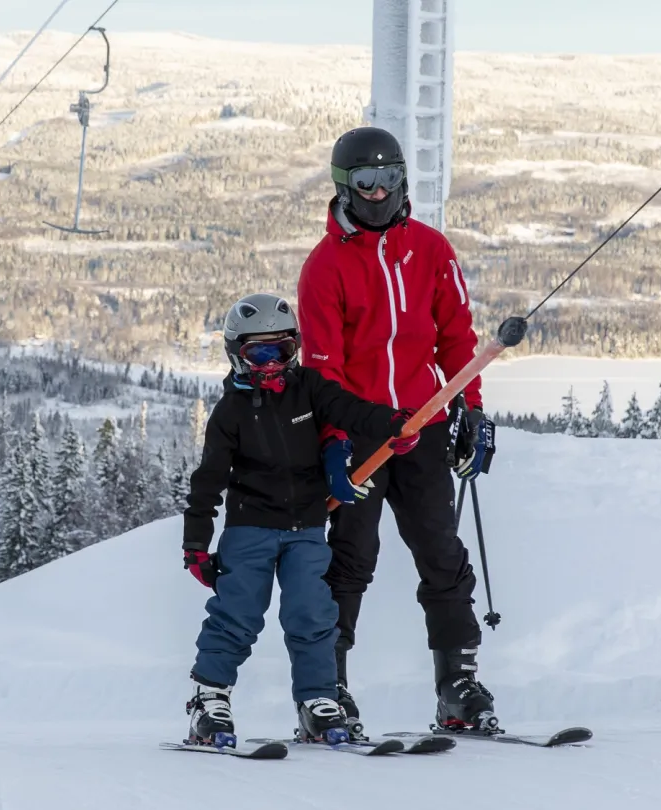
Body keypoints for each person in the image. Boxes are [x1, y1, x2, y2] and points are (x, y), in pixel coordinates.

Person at [295, 126, 500, 734]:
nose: (379, 192)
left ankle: (457, 686)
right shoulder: (324, 267)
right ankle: (326, 689)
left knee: (441, 552)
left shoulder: (432, 251)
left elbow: (458, 340)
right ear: (343, 188)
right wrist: (332, 442)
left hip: (424, 424)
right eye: (365, 181)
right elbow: (322, 370)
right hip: (361, 432)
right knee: (352, 557)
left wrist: (472, 410)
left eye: (389, 179)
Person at [180, 292, 416, 748]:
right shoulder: (230, 412)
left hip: (306, 529)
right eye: (259, 353)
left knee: (312, 614)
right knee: (237, 615)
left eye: (282, 351)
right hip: (249, 529)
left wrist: (393, 423)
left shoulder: (310, 387)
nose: (272, 363)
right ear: (237, 353)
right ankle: (209, 699)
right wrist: (195, 545)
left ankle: (317, 702)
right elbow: (207, 482)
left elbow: (351, 410)